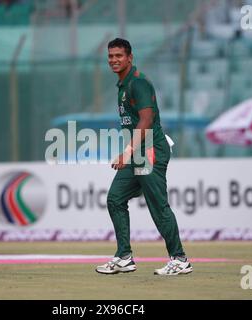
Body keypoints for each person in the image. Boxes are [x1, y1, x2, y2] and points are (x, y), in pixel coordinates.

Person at [95, 38, 192, 276]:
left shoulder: (138, 83)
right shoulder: (123, 85)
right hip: (138, 152)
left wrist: (127, 151)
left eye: (119, 56)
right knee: (115, 199)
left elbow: (147, 120)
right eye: (110, 56)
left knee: (158, 206)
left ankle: (180, 259)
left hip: (150, 152)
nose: (114, 60)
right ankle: (124, 257)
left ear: (130, 58)